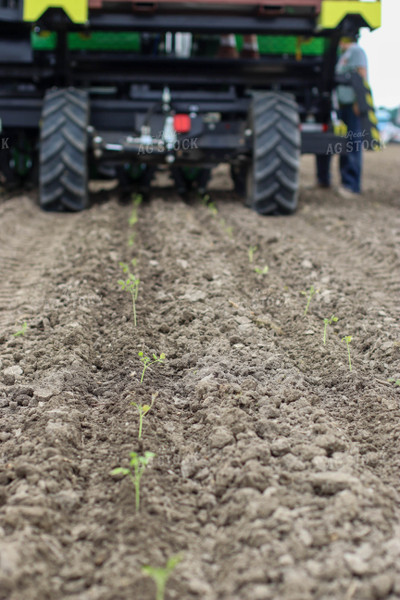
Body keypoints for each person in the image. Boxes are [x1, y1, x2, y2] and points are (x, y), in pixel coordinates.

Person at [316, 35, 368, 197]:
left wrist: (359, 102)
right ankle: (324, 179)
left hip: (351, 106)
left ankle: (352, 185)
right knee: (339, 143)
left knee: (352, 144)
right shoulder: (341, 55)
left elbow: (362, 75)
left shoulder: (355, 51)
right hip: (339, 105)